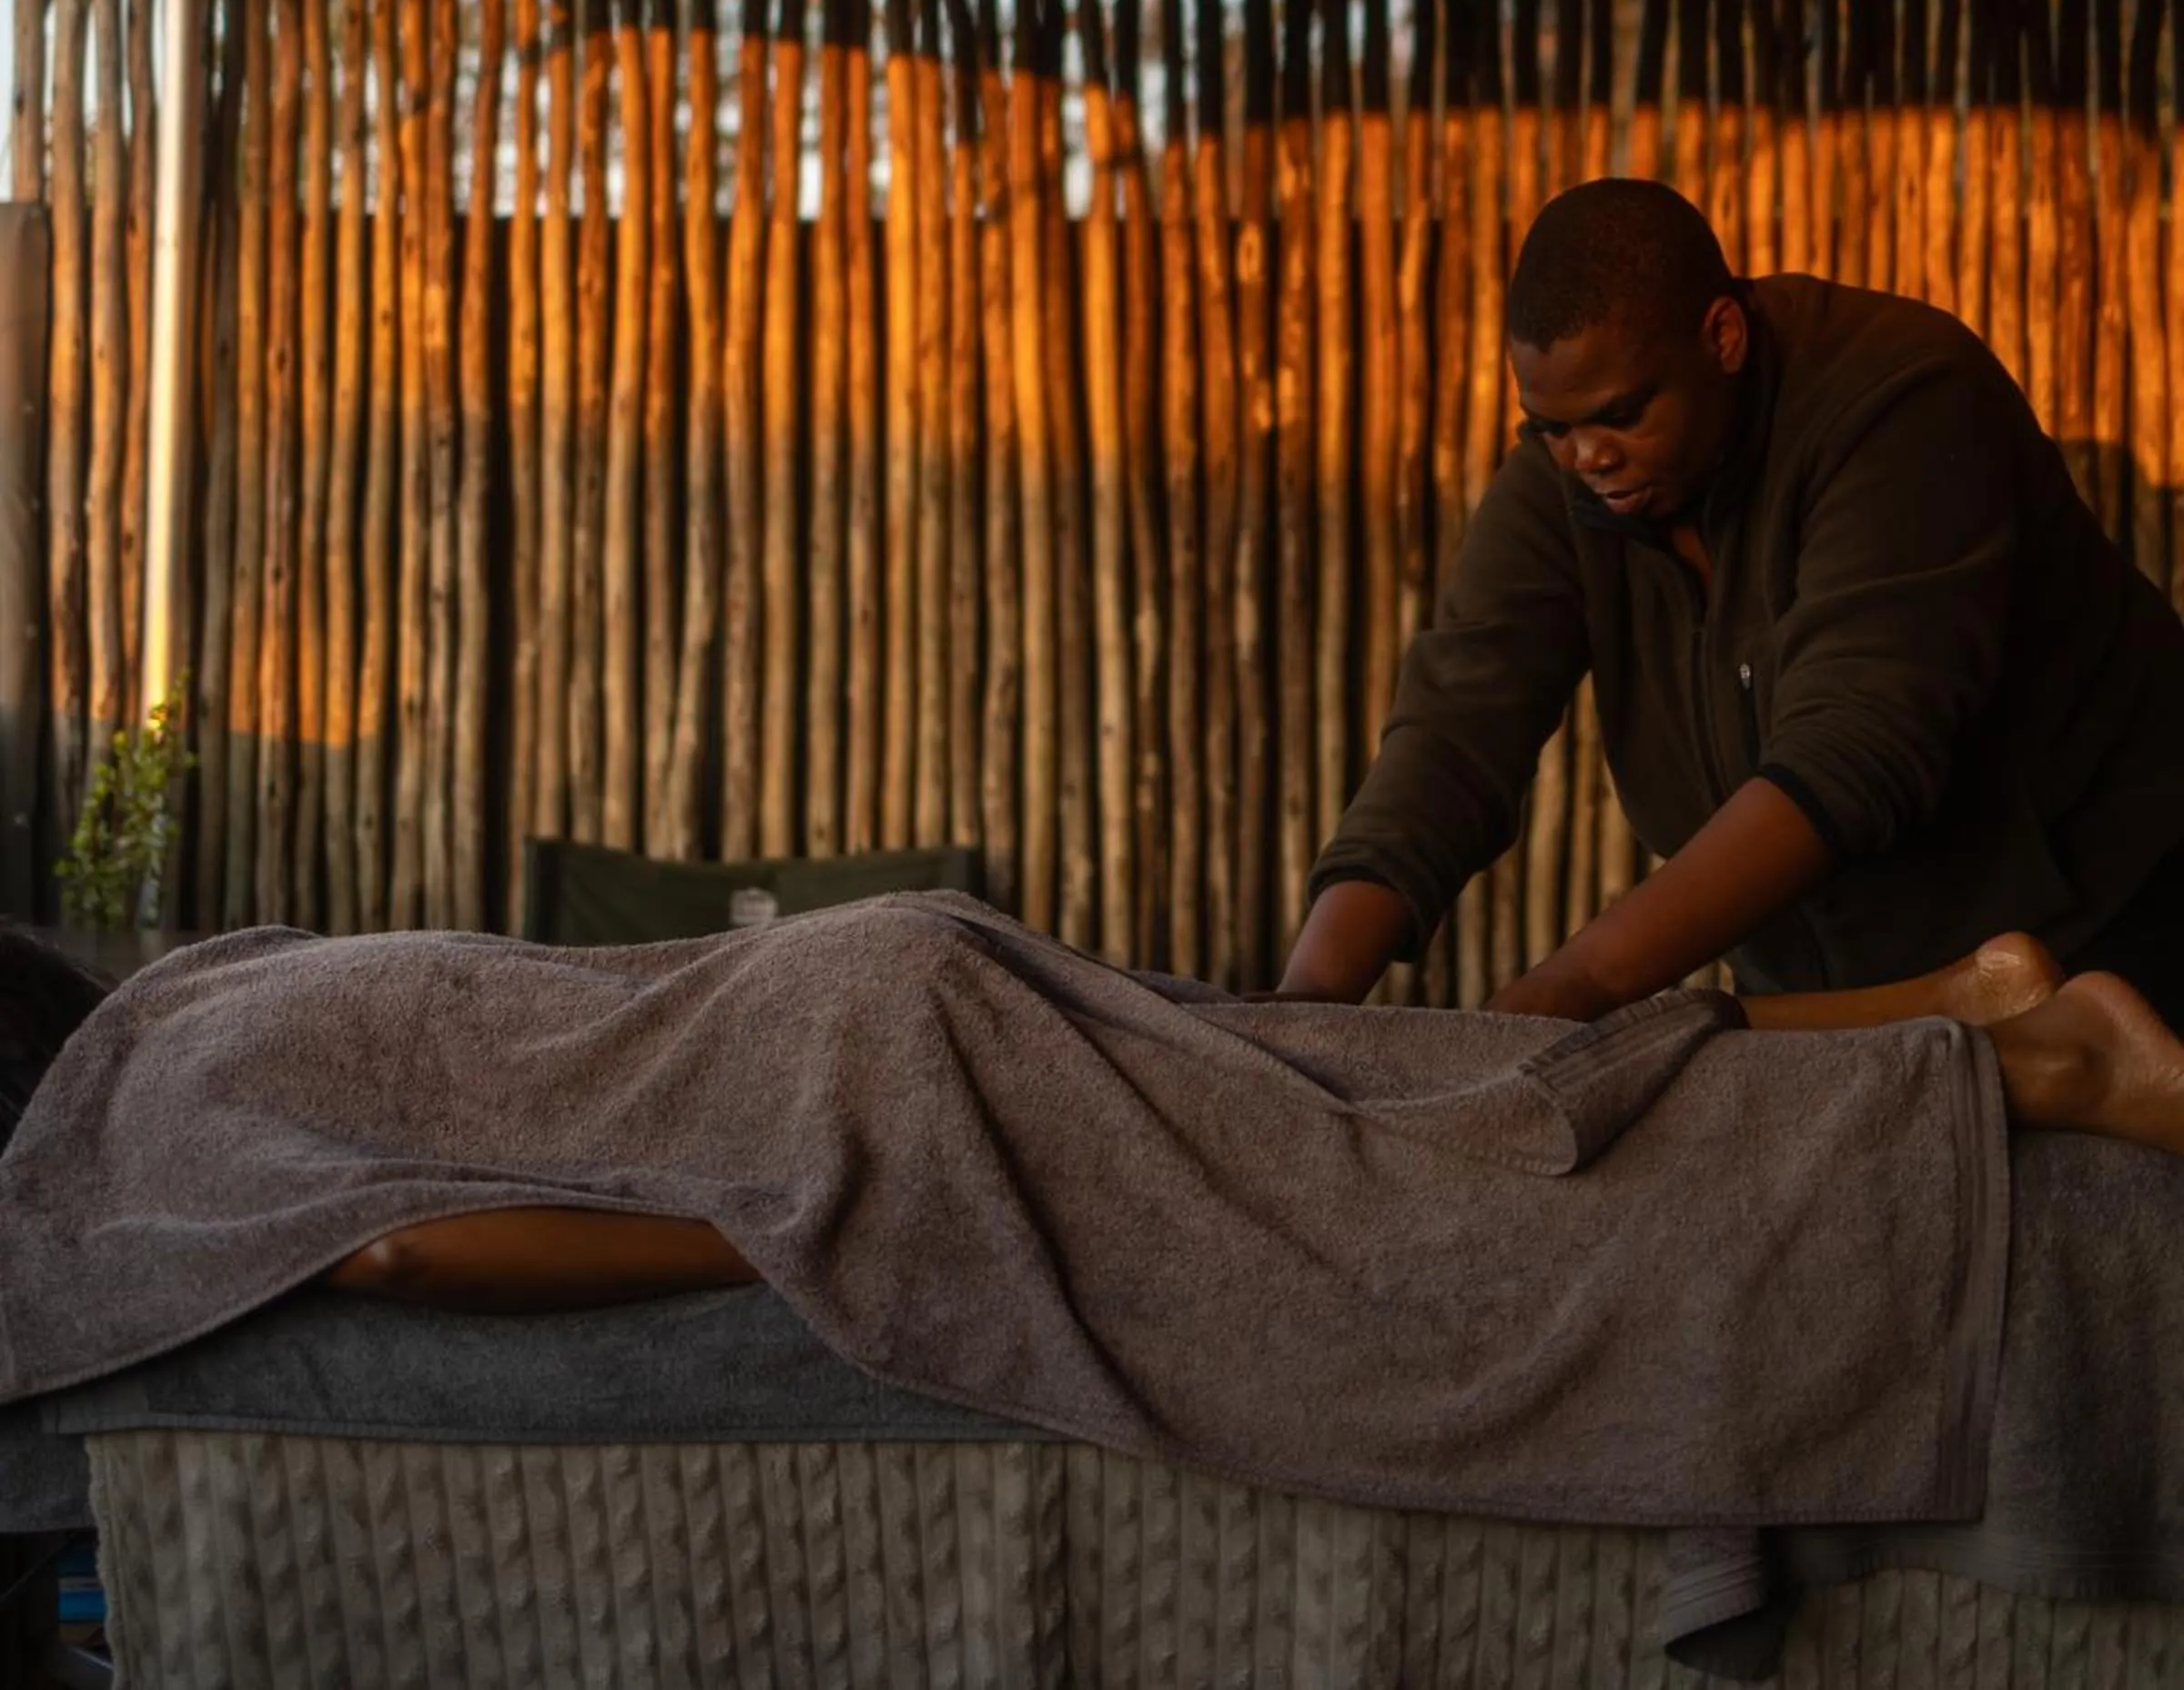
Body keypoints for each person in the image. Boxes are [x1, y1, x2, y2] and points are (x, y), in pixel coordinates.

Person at [4, 916, 2182, 1321]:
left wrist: (790, 1232)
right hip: (870, 968)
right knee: (1378, 1080)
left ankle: (1997, 1062)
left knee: (1428, 1190)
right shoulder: (213, 975)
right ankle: (1958, 1011)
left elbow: (389, 1254)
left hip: (864, 1077)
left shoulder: (134, 1154)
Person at [1283, 179, 2184, 1023]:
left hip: (2118, 934)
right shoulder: (1572, 481)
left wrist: (1558, 1000)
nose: (1588, 457)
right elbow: (1455, 729)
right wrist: (1307, 1006)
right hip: (1852, 1001)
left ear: (1722, 336)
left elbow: (1855, 749)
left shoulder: (1902, 400)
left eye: (1622, 414)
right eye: (1553, 428)